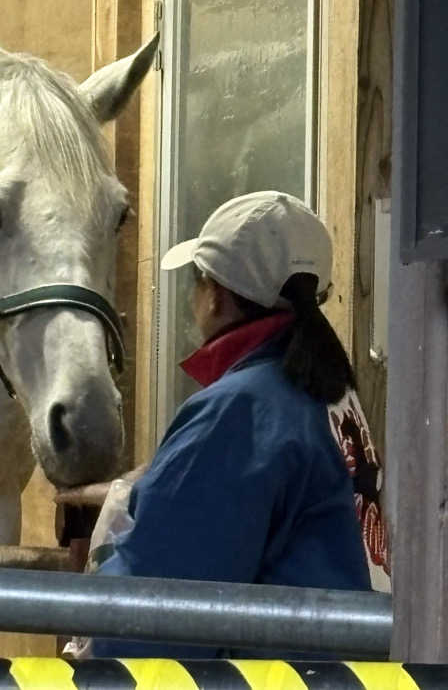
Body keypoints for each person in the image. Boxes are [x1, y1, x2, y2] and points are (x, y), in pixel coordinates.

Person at [90, 190, 390, 659]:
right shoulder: (327, 391)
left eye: (197, 282)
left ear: (215, 295)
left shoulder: (241, 411)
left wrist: (104, 562)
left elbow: (153, 615)